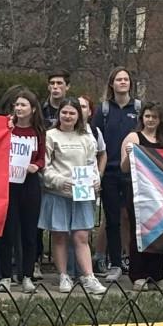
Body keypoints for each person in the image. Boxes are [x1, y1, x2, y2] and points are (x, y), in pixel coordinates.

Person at [40, 98, 106, 295]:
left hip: (82, 194)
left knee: (81, 236)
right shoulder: (50, 136)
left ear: (79, 115)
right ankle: (64, 276)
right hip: (58, 193)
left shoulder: (86, 138)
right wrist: (60, 181)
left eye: (72, 113)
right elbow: (45, 166)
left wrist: (96, 179)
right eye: (64, 112)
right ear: (59, 114)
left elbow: (92, 163)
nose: (67, 116)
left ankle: (89, 277)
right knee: (59, 236)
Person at [0, 87, 46, 294]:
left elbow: (42, 157)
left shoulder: (38, 132)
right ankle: (5, 277)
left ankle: (26, 276)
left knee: (29, 233)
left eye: (23, 105)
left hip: (29, 184)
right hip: (8, 184)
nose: (19, 108)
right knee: (7, 232)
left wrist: (37, 166)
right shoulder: (7, 128)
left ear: (33, 109)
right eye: (17, 104)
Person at [94, 68, 141, 282]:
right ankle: (114, 263)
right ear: (112, 84)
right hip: (110, 172)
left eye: (126, 79)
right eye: (118, 79)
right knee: (112, 219)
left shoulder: (139, 109)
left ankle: (133, 261)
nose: (122, 82)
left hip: (134, 172)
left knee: (133, 219)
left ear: (131, 83)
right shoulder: (103, 110)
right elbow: (95, 142)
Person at [123, 104, 163, 289]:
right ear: (142, 118)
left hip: (159, 193)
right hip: (138, 193)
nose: (150, 120)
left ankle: (158, 274)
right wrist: (128, 155)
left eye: (154, 117)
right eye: (147, 116)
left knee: (159, 232)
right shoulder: (133, 137)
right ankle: (138, 275)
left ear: (160, 120)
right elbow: (124, 167)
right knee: (139, 233)